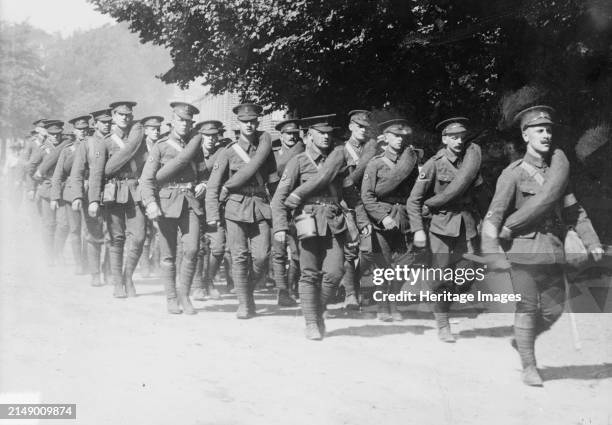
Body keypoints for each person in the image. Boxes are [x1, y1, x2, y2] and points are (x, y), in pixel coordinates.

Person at [481, 105, 603, 386]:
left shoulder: (558, 175)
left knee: (553, 310)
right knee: (526, 308)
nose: (546, 135)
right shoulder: (512, 175)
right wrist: (493, 252)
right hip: (522, 252)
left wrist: (591, 240)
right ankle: (529, 366)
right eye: (539, 130)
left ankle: (521, 340)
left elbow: (575, 212)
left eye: (549, 130)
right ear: (526, 136)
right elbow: (494, 216)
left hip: (552, 250)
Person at [271, 114, 351, 340]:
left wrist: (362, 222)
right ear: (309, 136)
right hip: (306, 219)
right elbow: (279, 198)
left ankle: (317, 310)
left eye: (328, 133)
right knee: (309, 272)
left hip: (333, 220)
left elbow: (350, 193)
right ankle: (311, 323)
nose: (326, 137)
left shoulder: (338, 161)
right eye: (321, 133)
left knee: (335, 272)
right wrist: (279, 227)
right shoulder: (298, 161)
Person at [407, 117, 485, 342]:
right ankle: (443, 324)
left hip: (466, 225)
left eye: (462, 137)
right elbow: (414, 200)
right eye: (453, 137)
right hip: (441, 228)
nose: (459, 141)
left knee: (469, 273)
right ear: (444, 139)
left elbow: (480, 195)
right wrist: (418, 229)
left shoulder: (470, 162)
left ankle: (442, 304)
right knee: (441, 278)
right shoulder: (434, 164)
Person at [206, 103, 279, 319]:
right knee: (238, 257)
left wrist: (279, 210)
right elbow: (213, 186)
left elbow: (273, 182)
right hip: (235, 208)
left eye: (253, 121)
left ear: (257, 123)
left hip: (260, 206)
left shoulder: (265, 151)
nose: (249, 125)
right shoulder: (228, 152)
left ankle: (246, 290)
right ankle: (245, 303)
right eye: (245, 122)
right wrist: (212, 215)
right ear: (238, 123)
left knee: (262, 256)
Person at [140, 102, 204, 314]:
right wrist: (150, 203)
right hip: (166, 203)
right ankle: (171, 298)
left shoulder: (195, 146)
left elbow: (204, 172)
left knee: (193, 249)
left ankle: (184, 295)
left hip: (189, 202)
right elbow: (147, 179)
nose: (184, 124)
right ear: (172, 121)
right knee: (168, 254)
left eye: (188, 121)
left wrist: (203, 182)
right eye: (180, 120)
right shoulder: (160, 146)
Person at [361, 119, 420, 321]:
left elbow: (414, 193)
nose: (400, 140)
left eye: (403, 137)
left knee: (405, 265)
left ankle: (393, 302)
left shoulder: (410, 164)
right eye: (396, 136)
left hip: (404, 218)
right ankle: (383, 306)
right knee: (384, 266)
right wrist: (383, 217)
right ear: (386, 138)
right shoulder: (375, 163)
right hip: (382, 221)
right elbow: (367, 197)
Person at [89, 101, 147, 298]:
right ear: (113, 116)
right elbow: (97, 172)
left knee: (139, 236)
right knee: (117, 238)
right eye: (120, 114)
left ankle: (128, 276)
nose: (125, 118)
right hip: (112, 193)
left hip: (134, 191)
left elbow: (147, 164)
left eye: (128, 115)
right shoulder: (104, 141)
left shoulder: (139, 139)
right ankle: (118, 283)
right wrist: (94, 200)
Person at [69, 109, 112, 287]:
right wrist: (77, 196)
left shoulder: (114, 142)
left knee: (113, 234)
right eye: (103, 122)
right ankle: (95, 273)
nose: (107, 125)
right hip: (90, 194)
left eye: (109, 122)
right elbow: (77, 173)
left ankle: (108, 270)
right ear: (95, 124)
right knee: (94, 234)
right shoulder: (87, 144)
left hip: (113, 194)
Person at [341, 110, 376, 309]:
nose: (363, 130)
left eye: (365, 127)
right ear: (351, 127)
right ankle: (350, 294)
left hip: (371, 204)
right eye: (359, 126)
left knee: (370, 252)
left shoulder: (374, 150)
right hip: (350, 207)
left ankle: (353, 282)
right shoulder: (342, 151)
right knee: (350, 252)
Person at [191, 119, 229, 301]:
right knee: (197, 247)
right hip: (195, 206)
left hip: (216, 206)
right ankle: (198, 285)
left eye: (214, 136)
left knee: (219, 247)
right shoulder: (192, 153)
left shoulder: (223, 153)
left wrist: (207, 185)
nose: (211, 139)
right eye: (207, 136)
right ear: (200, 136)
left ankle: (209, 280)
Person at [50, 115, 91, 275]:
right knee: (74, 229)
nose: (83, 132)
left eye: (85, 129)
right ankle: (79, 264)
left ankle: (88, 262)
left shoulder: (94, 147)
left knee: (89, 230)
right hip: (70, 192)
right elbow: (58, 175)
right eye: (80, 129)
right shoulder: (68, 150)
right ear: (74, 131)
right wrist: (54, 197)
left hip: (90, 192)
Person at [26, 120, 70, 265]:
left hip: (63, 188)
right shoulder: (43, 149)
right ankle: (49, 255)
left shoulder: (66, 147)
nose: (56, 137)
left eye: (58, 134)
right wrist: (36, 183)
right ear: (48, 134)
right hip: (48, 189)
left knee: (64, 224)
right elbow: (30, 168)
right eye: (52, 134)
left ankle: (58, 252)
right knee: (49, 224)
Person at [271, 119, 304, 307]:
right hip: (276, 207)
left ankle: (292, 287)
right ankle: (282, 291)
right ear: (281, 135)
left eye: (294, 133)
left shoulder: (303, 153)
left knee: (298, 252)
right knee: (279, 252)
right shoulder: (273, 156)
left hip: (297, 207)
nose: (292, 137)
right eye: (288, 134)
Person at [139, 116, 164, 277]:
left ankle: (156, 261)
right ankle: (144, 264)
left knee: (159, 229)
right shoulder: (139, 147)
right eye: (152, 129)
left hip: (159, 191)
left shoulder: (162, 145)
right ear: (145, 130)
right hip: (142, 190)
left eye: (157, 129)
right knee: (144, 230)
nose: (156, 131)